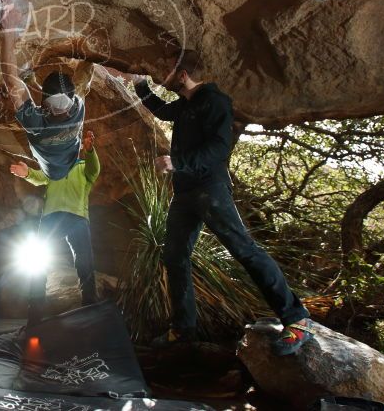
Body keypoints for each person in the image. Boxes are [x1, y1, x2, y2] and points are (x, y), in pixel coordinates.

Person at [131, 51, 314, 356]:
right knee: (174, 256)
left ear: (182, 75)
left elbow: (219, 148)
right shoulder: (188, 103)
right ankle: (184, 330)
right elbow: (163, 111)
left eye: (166, 72)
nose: (161, 77)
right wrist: (139, 84)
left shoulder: (215, 101)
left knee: (244, 249)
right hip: (186, 193)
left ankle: (297, 319)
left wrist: (178, 162)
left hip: (210, 189)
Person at [9, 130, 100, 325]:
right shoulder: (54, 167)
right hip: (52, 218)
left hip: (77, 218)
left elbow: (95, 169)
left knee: (85, 263)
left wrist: (90, 150)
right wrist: (27, 174)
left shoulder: (84, 167)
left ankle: (90, 307)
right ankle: (34, 317)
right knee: (38, 263)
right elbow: (40, 177)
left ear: (78, 148)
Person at [0, 0, 85, 181]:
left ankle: (32, 82)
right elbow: (10, 81)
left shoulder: (35, 124)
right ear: (73, 100)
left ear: (42, 107)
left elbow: (10, 79)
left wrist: (8, 29)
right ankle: (32, 82)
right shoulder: (78, 107)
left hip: (52, 169)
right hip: (70, 157)